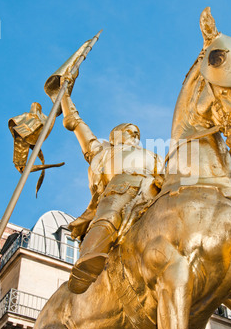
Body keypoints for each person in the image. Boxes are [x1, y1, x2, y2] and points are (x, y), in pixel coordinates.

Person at [60, 87, 164, 294]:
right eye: (129, 131)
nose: (135, 134)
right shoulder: (103, 151)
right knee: (108, 217)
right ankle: (87, 261)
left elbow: (166, 176)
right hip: (119, 188)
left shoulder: (153, 156)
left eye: (137, 132)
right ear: (117, 135)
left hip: (151, 191)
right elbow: (76, 123)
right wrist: (63, 97)